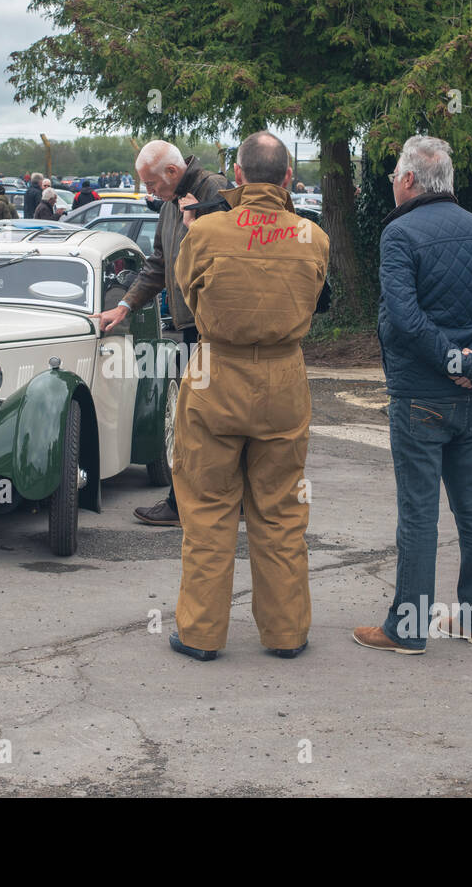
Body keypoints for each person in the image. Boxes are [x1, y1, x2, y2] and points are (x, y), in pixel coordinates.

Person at [351, 135, 472, 655]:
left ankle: (407, 628)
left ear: (408, 180)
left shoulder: (399, 234)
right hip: (470, 398)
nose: (391, 187)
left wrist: (460, 362)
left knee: (419, 513)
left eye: (392, 179)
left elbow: (405, 320)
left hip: (420, 395)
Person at [164, 130, 329, 661]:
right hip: (283, 378)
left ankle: (201, 634)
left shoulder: (207, 231)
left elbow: (187, 297)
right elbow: (318, 296)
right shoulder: (313, 236)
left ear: (237, 175)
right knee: (281, 511)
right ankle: (286, 634)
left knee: (207, 509)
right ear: (287, 178)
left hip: (216, 372)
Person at [93, 141, 227, 527]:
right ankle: (206, 501)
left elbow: (229, 255)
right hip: (192, 327)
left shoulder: (213, 192)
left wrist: (196, 224)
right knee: (205, 418)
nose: (148, 192)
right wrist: (125, 306)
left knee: (196, 417)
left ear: (172, 172)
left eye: (151, 183)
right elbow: (157, 265)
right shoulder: (172, 203)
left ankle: (181, 504)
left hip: (213, 327)